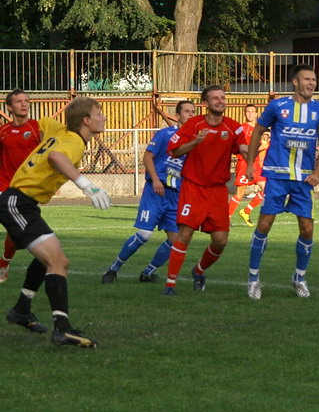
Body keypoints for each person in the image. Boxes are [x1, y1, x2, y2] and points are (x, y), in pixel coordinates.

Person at [1, 97, 111, 347]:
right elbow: (57, 158)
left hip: (23, 203)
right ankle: (62, 330)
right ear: (86, 121)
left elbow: (40, 125)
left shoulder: (58, 129)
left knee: (48, 260)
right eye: (99, 113)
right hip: (18, 203)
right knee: (58, 262)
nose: (103, 117)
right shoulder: (73, 142)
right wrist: (87, 186)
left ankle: (21, 310)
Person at [243, 65, 319, 299]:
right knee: (264, 225)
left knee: (307, 228)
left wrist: (318, 173)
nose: (312, 83)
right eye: (307, 79)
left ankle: (299, 277)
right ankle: (253, 279)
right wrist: (251, 164)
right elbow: (257, 132)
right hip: (277, 176)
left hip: (303, 180)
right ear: (295, 82)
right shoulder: (277, 106)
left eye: (314, 79)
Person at [162, 85, 247, 295]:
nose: (221, 101)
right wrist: (195, 141)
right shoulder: (194, 124)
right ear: (205, 103)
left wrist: (252, 160)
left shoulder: (234, 127)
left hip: (218, 190)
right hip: (193, 187)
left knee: (220, 240)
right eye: (215, 98)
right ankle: (170, 285)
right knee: (185, 233)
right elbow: (174, 151)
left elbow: (243, 148)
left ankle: (198, 270)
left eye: (223, 98)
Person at [101, 101, 195, 284]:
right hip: (156, 192)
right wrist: (156, 179)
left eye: (193, 111)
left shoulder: (196, 141)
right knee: (144, 234)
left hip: (175, 196)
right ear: (177, 116)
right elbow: (147, 157)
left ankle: (148, 272)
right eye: (186, 111)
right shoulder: (165, 134)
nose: (191, 114)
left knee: (176, 240)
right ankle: (113, 268)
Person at [0, 89, 41, 283]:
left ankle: (3, 264)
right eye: (18, 101)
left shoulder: (36, 129)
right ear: (9, 107)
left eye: (26, 101)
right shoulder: (3, 131)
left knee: (14, 233)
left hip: (24, 190)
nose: (24, 104)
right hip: (2, 185)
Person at [228, 104, 266, 226]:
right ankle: (226, 218)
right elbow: (244, 148)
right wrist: (260, 148)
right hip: (244, 163)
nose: (250, 114)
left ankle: (246, 210)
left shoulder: (259, 129)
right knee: (240, 193)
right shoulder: (242, 129)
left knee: (267, 189)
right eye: (247, 111)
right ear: (245, 114)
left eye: (252, 111)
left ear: (256, 114)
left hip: (255, 164)